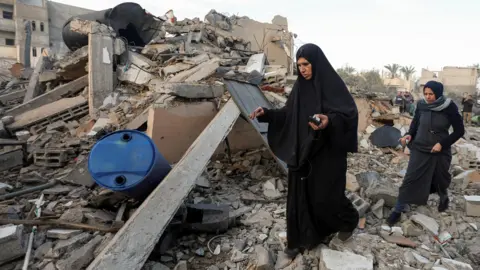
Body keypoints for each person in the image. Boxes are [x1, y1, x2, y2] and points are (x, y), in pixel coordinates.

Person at [249, 43, 359, 257]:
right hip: (302, 152)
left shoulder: (333, 86)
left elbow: (349, 116)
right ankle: (298, 241)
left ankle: (349, 221)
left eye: (306, 64)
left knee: (326, 197)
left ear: (316, 63)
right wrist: (267, 114)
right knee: (298, 198)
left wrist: (329, 121)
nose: (303, 69)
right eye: (299, 65)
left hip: (327, 154)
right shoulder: (300, 88)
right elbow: (289, 115)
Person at [387, 81, 464, 226]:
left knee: (440, 178)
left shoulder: (449, 107)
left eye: (431, 94)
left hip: (439, 150)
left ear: (439, 93)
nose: (428, 97)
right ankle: (398, 210)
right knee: (410, 179)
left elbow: (460, 131)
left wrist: (442, 144)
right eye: (426, 94)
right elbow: (415, 124)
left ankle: (443, 198)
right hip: (420, 148)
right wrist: (409, 135)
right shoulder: (421, 105)